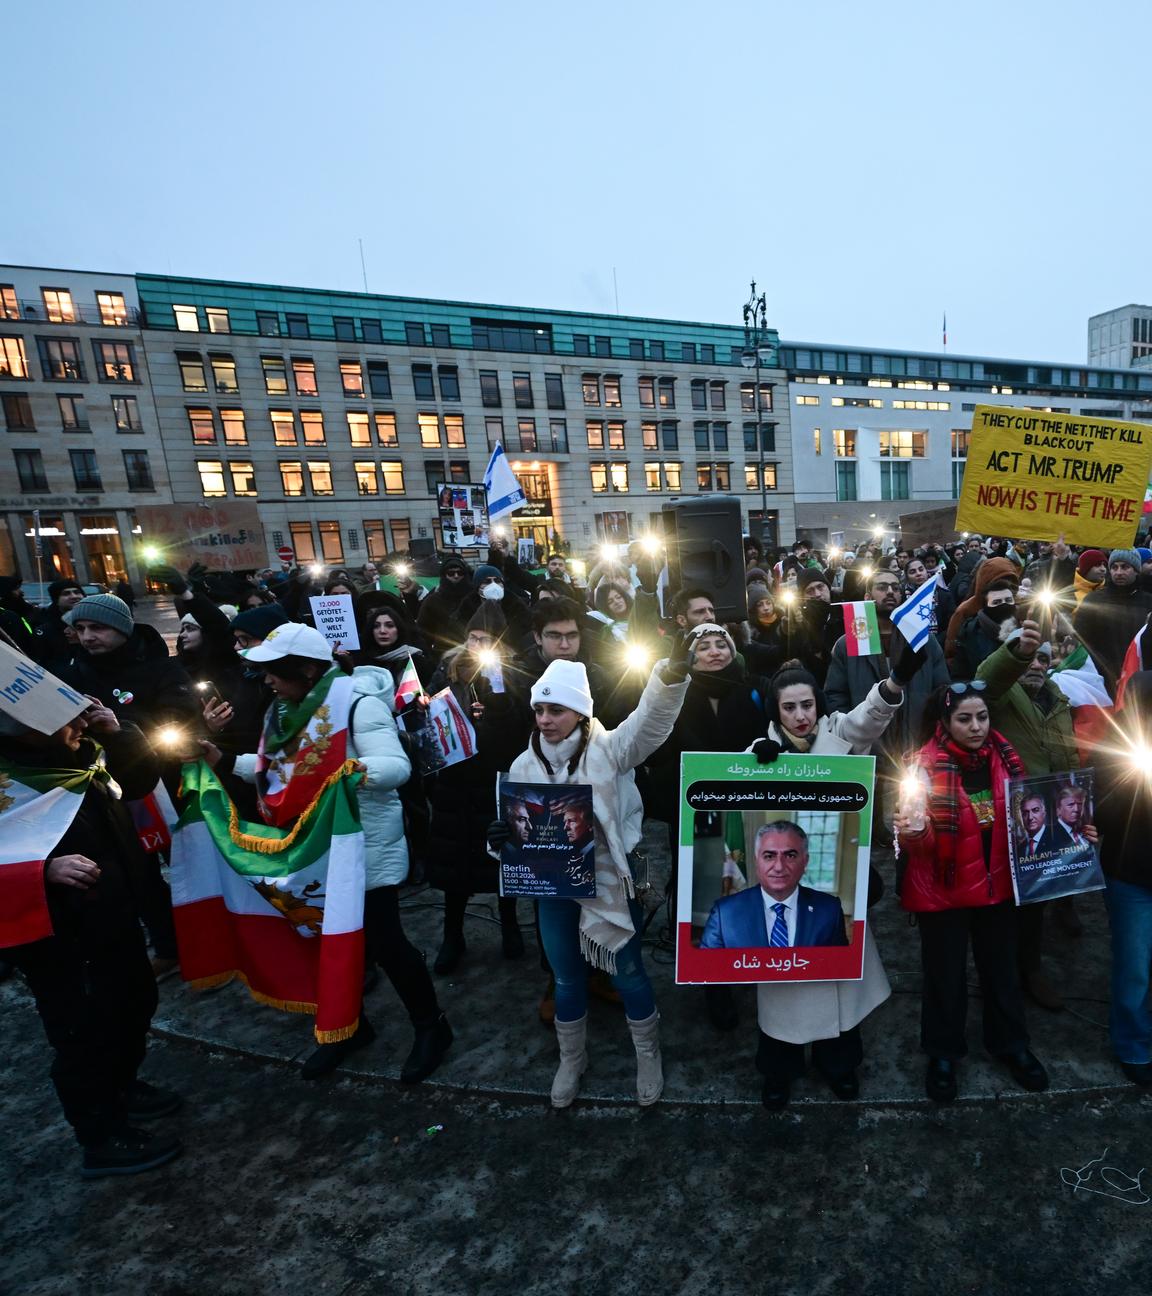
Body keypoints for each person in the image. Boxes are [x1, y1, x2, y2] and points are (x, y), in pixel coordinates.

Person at [204, 623, 451, 1083]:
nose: (268, 681)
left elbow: (397, 766)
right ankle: (345, 1028)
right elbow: (276, 777)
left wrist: (348, 772)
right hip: (309, 850)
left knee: (386, 944)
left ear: (307, 669)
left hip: (361, 850)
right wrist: (221, 760)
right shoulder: (282, 715)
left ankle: (432, 1026)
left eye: (275, 671)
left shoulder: (356, 707)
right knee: (324, 943)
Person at [494, 651, 690, 1108]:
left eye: (555, 709)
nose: (544, 719)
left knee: (628, 974)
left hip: (609, 885)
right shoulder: (524, 766)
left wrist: (669, 673)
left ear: (580, 712)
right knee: (566, 978)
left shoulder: (610, 749)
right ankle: (572, 1058)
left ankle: (648, 1055)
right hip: (556, 890)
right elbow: (519, 839)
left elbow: (651, 722)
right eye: (539, 710)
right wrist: (499, 837)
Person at [0, 697, 183, 1178]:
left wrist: (118, 734)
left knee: (135, 1000)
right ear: (24, 729)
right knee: (82, 1033)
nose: (78, 720)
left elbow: (140, 782)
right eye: (63, 716)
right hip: (54, 933)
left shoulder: (80, 753)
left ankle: (122, 1085)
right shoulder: (10, 779)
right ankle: (100, 1136)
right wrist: (40, 871)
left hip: (113, 910)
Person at [895, 681, 1050, 1103]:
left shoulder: (1007, 759)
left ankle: (1011, 1045)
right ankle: (943, 1054)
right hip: (942, 893)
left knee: (1001, 969)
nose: (976, 726)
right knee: (944, 976)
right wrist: (915, 832)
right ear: (945, 722)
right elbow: (919, 848)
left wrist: (1072, 835)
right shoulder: (921, 767)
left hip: (996, 886)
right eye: (964, 719)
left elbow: (1031, 820)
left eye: (982, 717)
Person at [975, 619, 1084, 1007]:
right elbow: (986, 681)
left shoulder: (1057, 698)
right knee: (1005, 903)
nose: (1035, 665)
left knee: (1035, 901)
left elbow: (1067, 754)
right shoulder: (1000, 697)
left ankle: (1030, 968)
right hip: (1007, 815)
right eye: (1027, 659)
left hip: (1051, 814)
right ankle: (1004, 973)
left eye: (1041, 658)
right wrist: (1015, 655)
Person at [424, 606, 526, 972]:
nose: (478, 644)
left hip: (492, 780)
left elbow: (515, 726)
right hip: (455, 782)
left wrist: (494, 707)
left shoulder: (508, 674)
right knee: (456, 864)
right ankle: (453, 934)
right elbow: (432, 716)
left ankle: (510, 924)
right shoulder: (447, 670)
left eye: (487, 640)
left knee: (500, 858)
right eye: (473, 637)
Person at [1093, 671, 1152, 1086]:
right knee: (1134, 966)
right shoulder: (1115, 749)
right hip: (1130, 876)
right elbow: (1100, 811)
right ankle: (1134, 1045)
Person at [700, 822, 846, 949]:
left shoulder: (830, 910)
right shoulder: (724, 913)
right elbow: (706, 974)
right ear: (757, 861)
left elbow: (841, 973)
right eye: (769, 856)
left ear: (805, 861)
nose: (779, 867)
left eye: (790, 856)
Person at [1074, 549, 1152, 694]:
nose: (1119, 572)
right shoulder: (1094, 600)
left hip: (1139, 680)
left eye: (1125, 567)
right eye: (1114, 567)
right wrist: (1106, 669)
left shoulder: (1148, 602)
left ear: (1136, 570)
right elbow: (1081, 640)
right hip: (1101, 679)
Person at [950, 577, 1020, 681]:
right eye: (996, 602)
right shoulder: (970, 633)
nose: (1004, 605)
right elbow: (960, 674)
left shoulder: (1023, 626)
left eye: (1008, 600)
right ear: (986, 607)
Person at [416, 556, 473, 654]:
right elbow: (424, 631)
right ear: (444, 575)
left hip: (474, 652)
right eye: (451, 573)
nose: (456, 576)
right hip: (443, 654)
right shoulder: (432, 600)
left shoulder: (474, 597)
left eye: (460, 573)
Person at [30, 578, 86, 664]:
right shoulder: (44, 628)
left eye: (77, 592)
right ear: (56, 600)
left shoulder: (97, 618)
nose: (74, 596)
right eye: (66, 594)